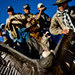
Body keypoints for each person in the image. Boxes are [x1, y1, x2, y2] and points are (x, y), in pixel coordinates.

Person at [49, 0, 75, 74]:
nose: (60, 6)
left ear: (66, 3)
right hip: (69, 40)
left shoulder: (73, 10)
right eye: (59, 5)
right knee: (68, 61)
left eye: (62, 4)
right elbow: (52, 29)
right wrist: (61, 31)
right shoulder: (56, 16)